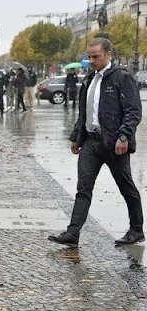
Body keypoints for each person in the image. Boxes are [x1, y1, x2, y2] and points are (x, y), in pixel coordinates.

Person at [48, 38, 143, 248]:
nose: (91, 60)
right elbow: (85, 112)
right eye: (89, 56)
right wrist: (76, 136)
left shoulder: (121, 77)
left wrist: (124, 136)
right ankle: (73, 233)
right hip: (91, 142)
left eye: (95, 56)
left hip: (114, 143)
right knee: (83, 188)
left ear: (108, 55)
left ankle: (136, 230)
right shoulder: (90, 79)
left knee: (126, 186)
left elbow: (134, 111)